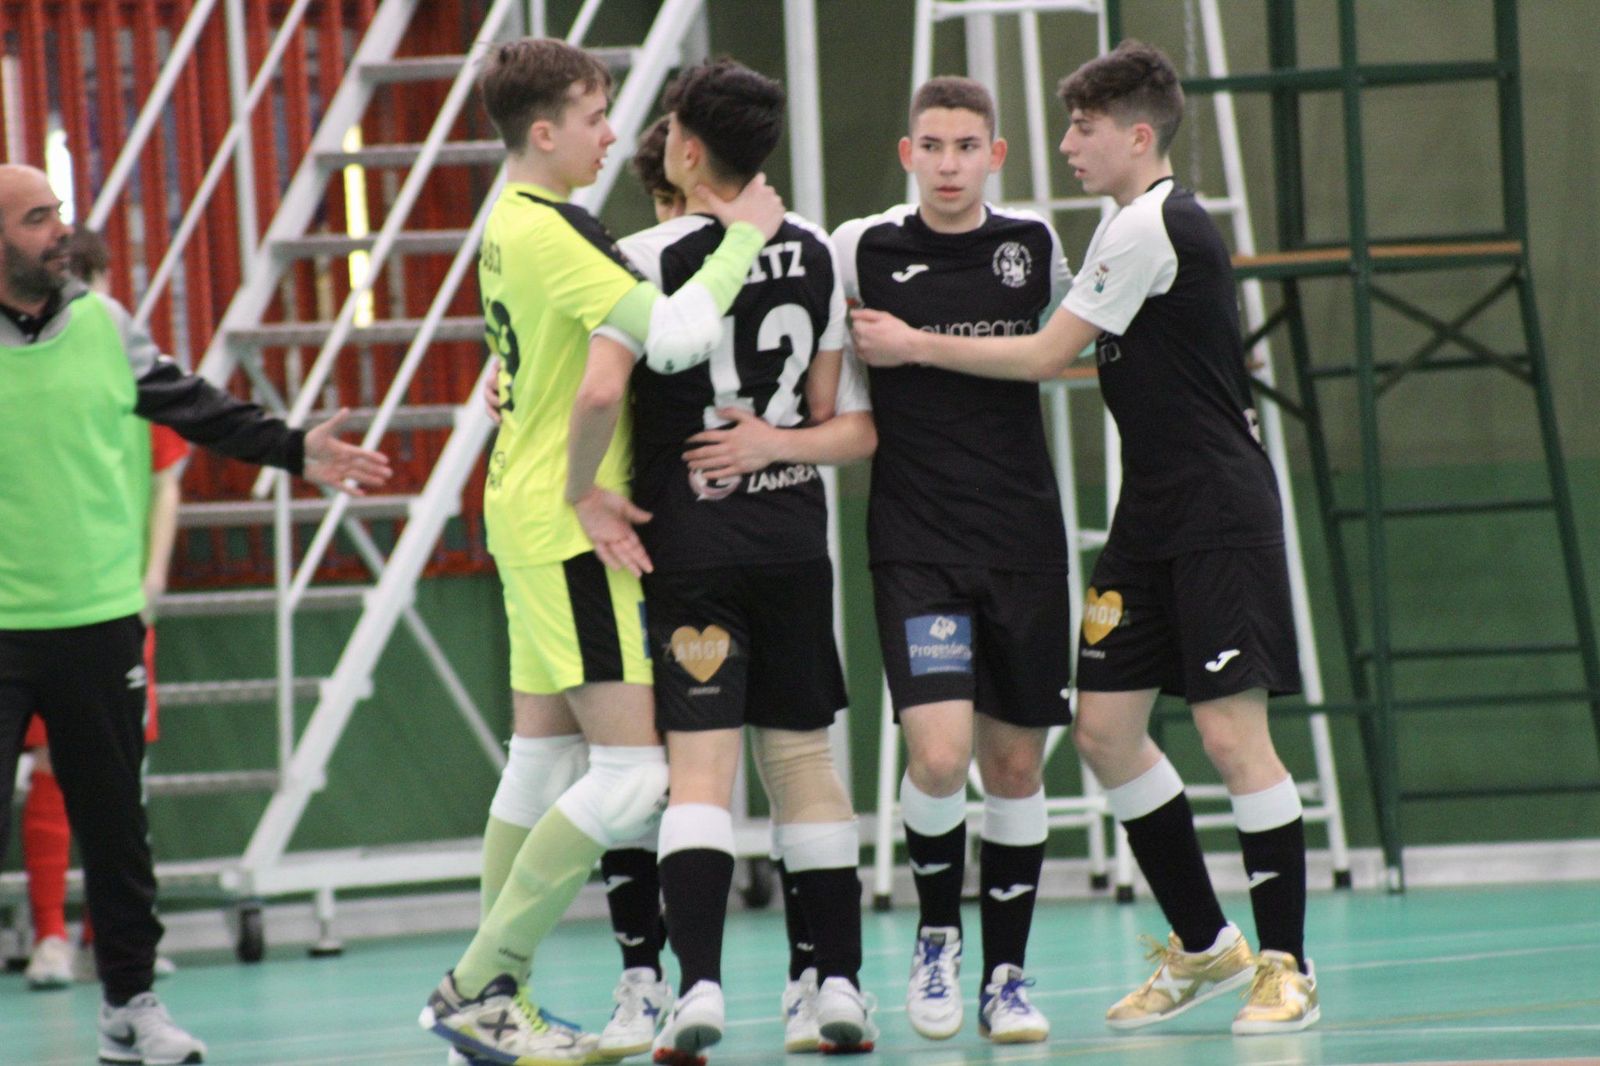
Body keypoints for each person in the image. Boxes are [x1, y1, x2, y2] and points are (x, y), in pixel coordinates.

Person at [850, 40, 1319, 1036]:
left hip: (1217, 514)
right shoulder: (1114, 228)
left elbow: (1042, 356)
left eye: (1083, 128)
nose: (1067, 145)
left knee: (1235, 736)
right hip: (1145, 516)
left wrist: (911, 344)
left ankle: (1287, 962)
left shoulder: (1154, 226)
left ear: (1135, 135)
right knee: (1104, 731)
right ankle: (1202, 946)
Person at [418, 38, 786, 1066]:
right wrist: (745, 238)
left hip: (523, 513)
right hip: (566, 529)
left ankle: (497, 1001)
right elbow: (666, 338)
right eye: (595, 115)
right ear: (545, 133)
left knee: (537, 762)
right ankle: (479, 982)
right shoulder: (545, 233)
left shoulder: (514, 223)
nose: (616, 132)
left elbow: (541, 365)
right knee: (630, 778)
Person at [0, 162, 392, 1066]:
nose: (58, 230)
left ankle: (130, 1007)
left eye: (58, 211)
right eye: (35, 218)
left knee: (115, 826)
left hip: (99, 621)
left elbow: (199, 407)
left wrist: (295, 448)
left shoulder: (106, 326)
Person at [579, 59, 877, 1063]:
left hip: (690, 543)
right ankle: (833, 982)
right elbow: (833, 417)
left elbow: (595, 394)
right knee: (803, 763)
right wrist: (775, 443)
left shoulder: (639, 255)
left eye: (666, 124)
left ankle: (697, 990)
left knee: (697, 772)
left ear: (687, 148)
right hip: (792, 538)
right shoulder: (815, 255)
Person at [830, 76, 1073, 1045]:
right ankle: (937, 937)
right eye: (930, 145)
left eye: (965, 146)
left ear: (995, 156)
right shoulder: (862, 246)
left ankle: (1006, 974)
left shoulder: (1036, 246)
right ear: (905, 153)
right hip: (916, 540)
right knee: (938, 754)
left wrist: (920, 346)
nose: (947, 163)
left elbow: (1066, 352)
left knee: (1012, 768)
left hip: (1021, 539)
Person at [20, 228, 187, 991]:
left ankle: (117, 950)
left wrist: (150, 578)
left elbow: (166, 482)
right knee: (50, 771)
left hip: (111, 604)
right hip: (28, 606)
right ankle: (49, 934)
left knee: (117, 782)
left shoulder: (130, 370)